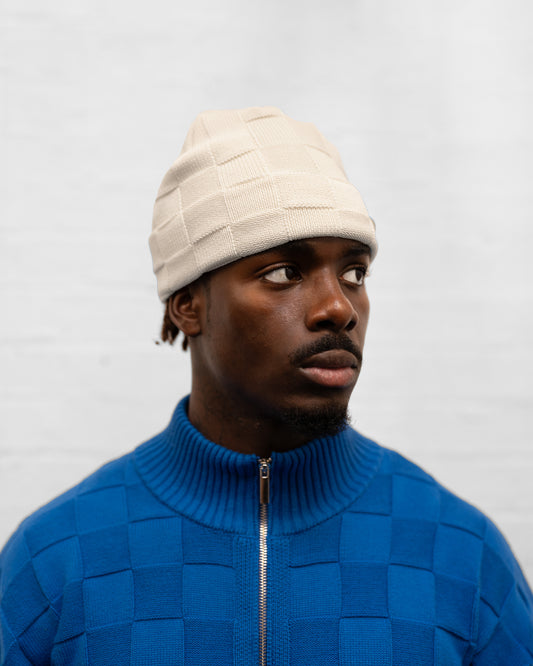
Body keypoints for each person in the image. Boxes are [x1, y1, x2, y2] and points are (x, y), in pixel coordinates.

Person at [0, 106, 531, 665]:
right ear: (188, 305)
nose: (339, 307)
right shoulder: (55, 563)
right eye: (284, 273)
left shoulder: (462, 556)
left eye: (354, 273)